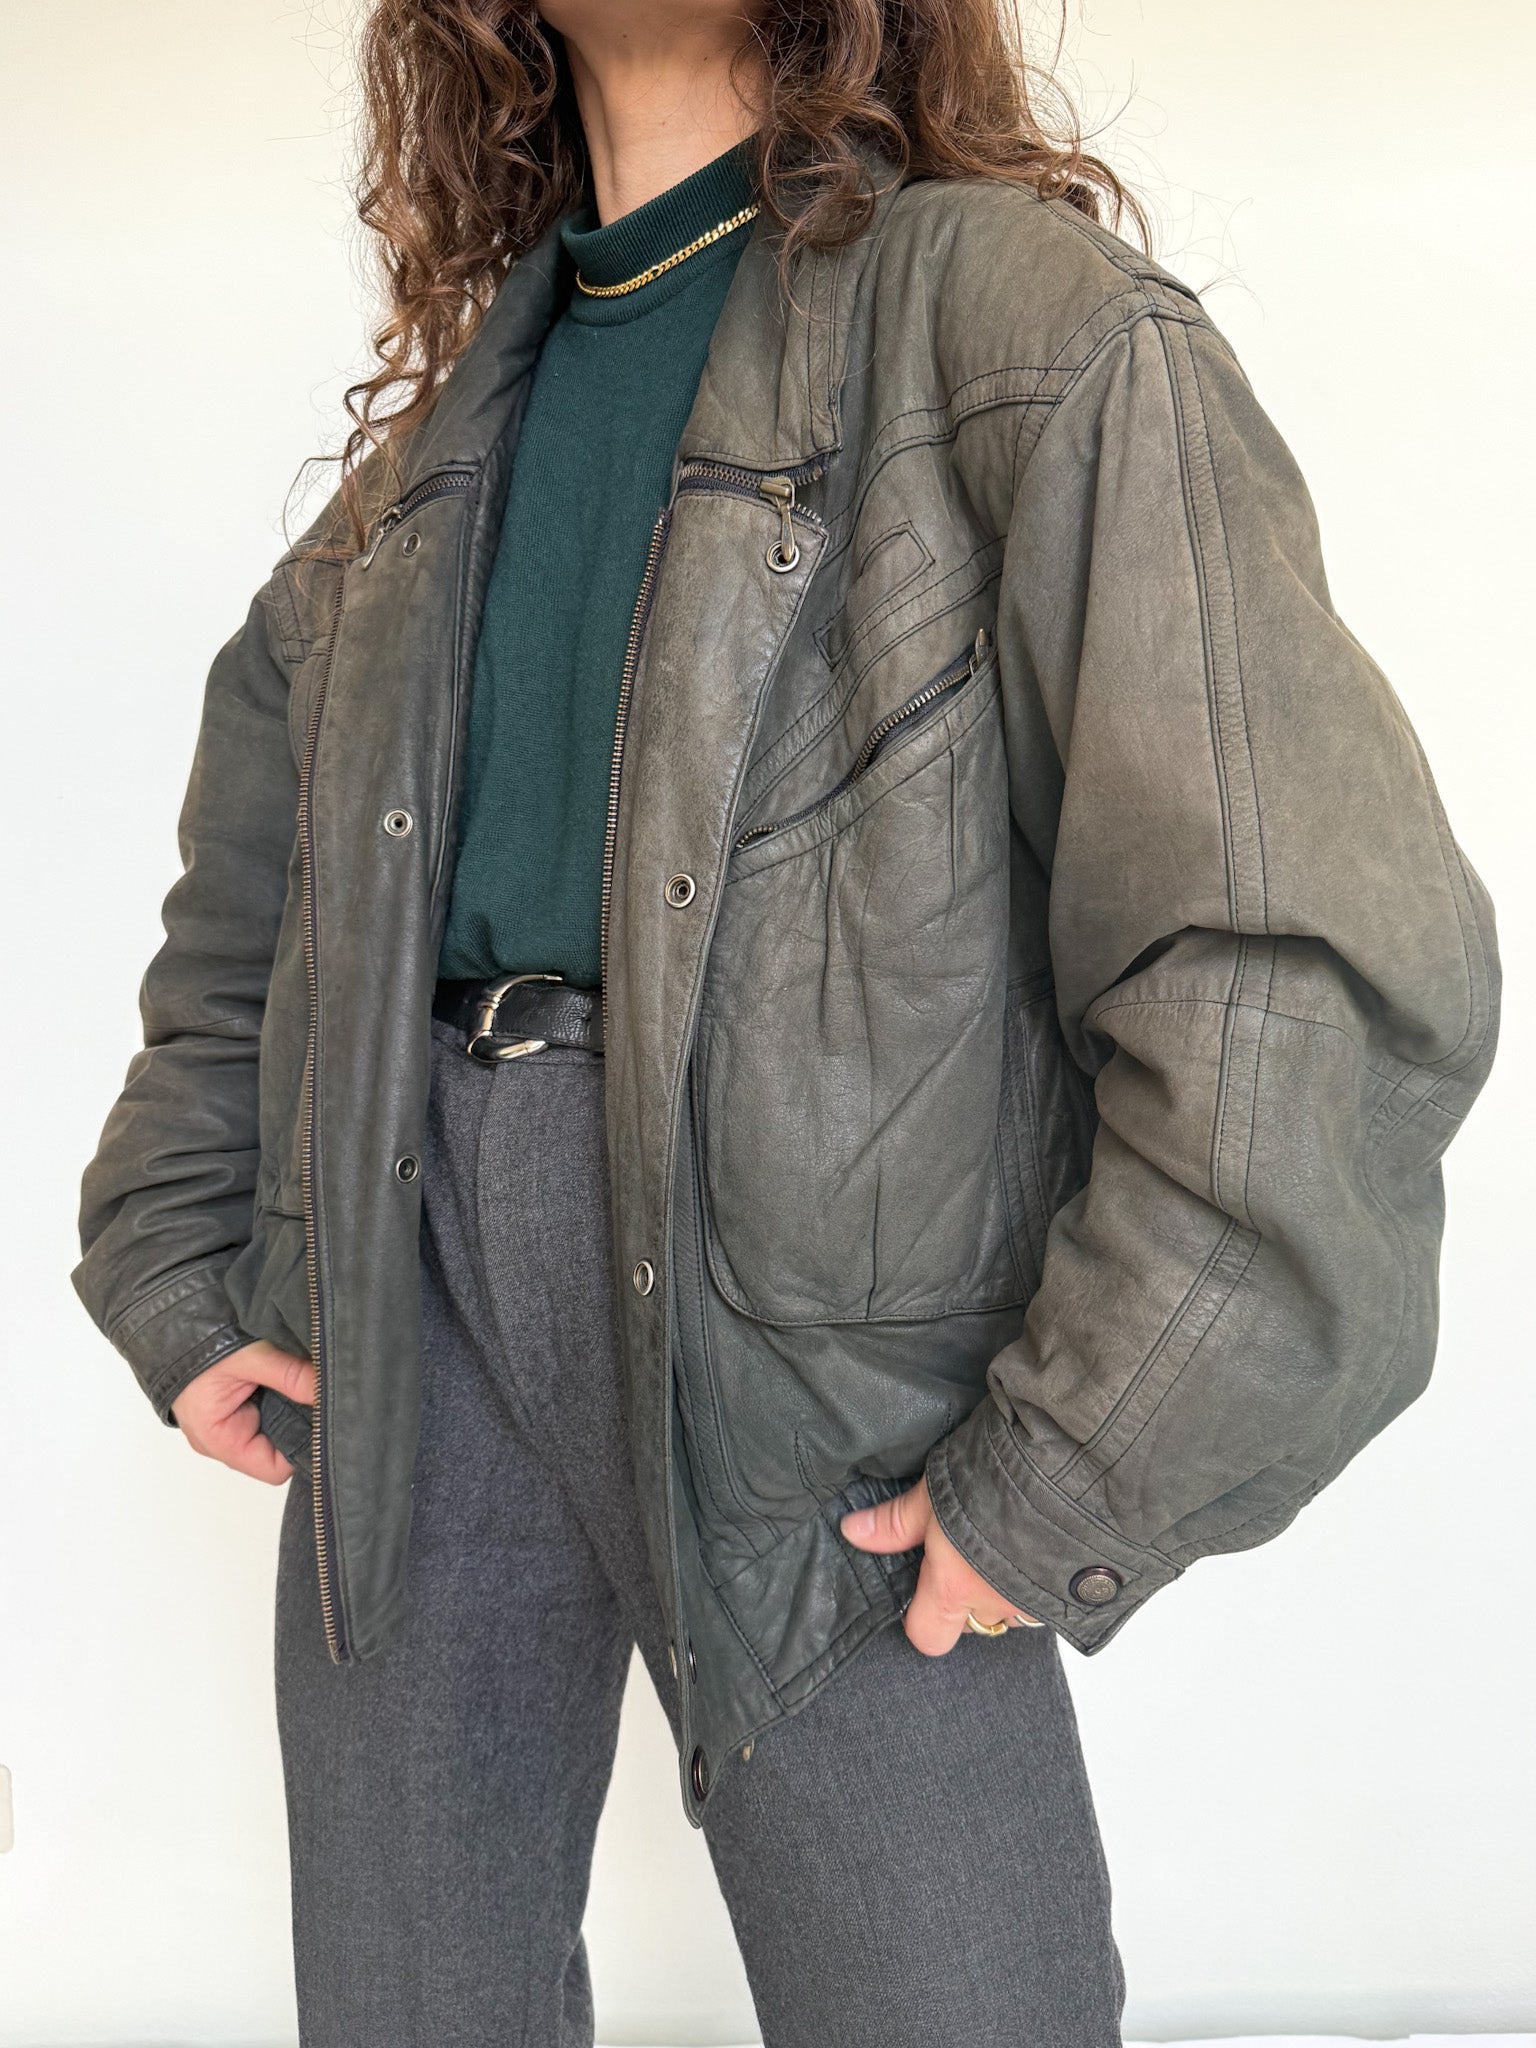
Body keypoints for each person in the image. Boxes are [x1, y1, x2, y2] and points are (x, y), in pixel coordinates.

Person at [73, 1, 1499, 2042]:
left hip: (828, 1364)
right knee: (406, 2001)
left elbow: (1291, 946)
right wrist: (179, 1257)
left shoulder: (1019, 326)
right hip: (414, 1302)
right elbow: (254, 908)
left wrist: (1073, 1473)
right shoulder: (432, 457)